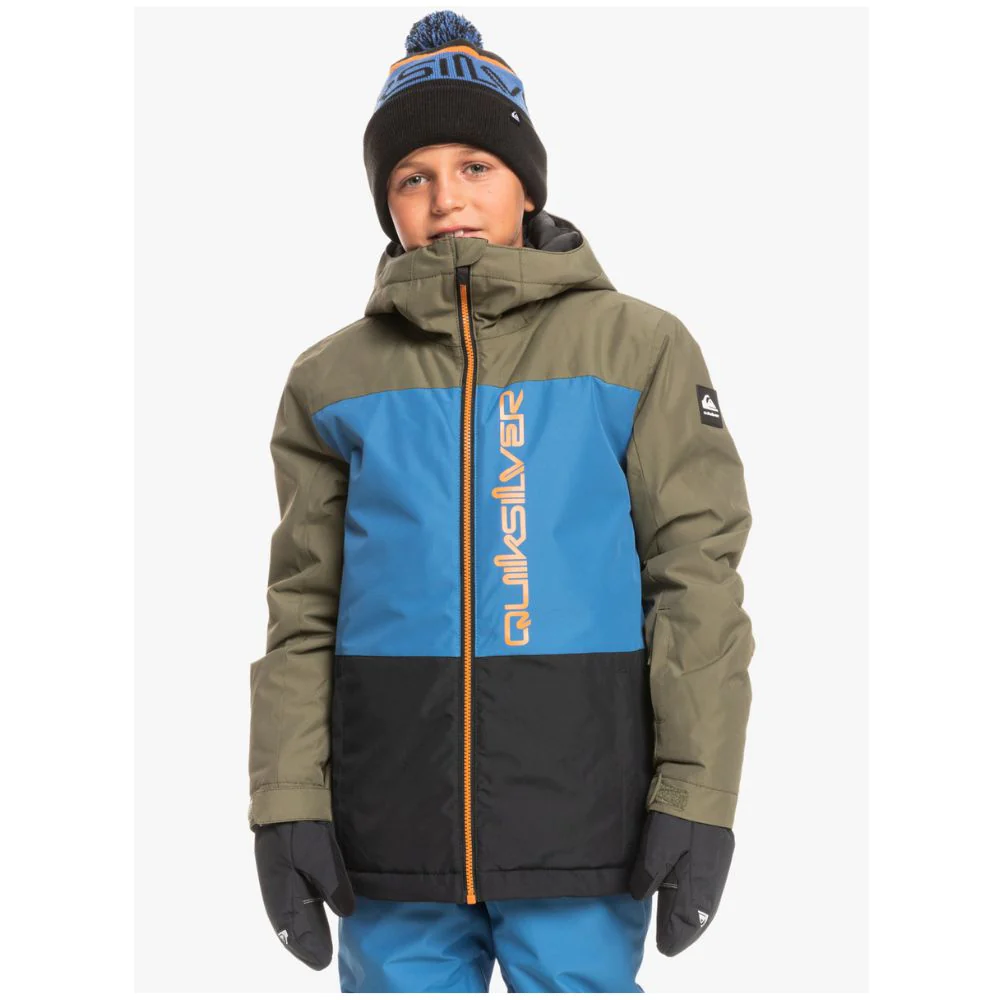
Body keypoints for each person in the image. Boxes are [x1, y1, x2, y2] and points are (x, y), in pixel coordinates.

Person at [247, 9, 755, 993]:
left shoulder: (637, 348)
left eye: (475, 165)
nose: (446, 199)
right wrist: (286, 798)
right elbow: (302, 607)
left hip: (584, 821)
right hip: (389, 831)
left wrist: (699, 794)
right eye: (412, 176)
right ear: (386, 203)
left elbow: (696, 578)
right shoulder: (331, 379)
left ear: (526, 182)